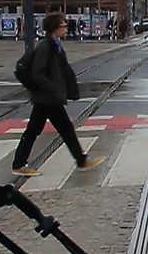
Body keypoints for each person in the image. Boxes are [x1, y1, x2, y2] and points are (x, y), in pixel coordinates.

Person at [12, 13, 106, 176]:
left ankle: (80, 159)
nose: (65, 28)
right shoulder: (45, 47)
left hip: (48, 98)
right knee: (57, 129)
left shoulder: (54, 45)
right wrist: (53, 88)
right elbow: (37, 73)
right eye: (62, 26)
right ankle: (80, 160)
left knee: (51, 129)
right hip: (46, 98)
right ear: (55, 28)